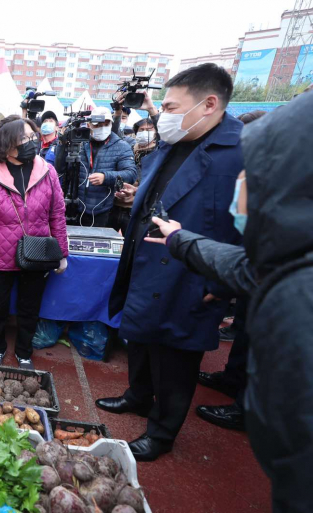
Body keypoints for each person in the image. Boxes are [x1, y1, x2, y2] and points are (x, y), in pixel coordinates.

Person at [143, 91, 313, 511]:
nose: (241, 182)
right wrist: (181, 240)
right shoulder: (286, 258)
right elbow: (244, 265)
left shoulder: (299, 295)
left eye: (249, 173)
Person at [95, 63, 244, 461]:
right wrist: (134, 199)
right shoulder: (174, 141)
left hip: (192, 272)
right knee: (140, 338)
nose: (165, 115)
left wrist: (223, 284)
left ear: (209, 104)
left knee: (176, 357)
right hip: (147, 257)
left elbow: (250, 228)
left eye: (172, 106)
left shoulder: (242, 152)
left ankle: (162, 432)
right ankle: (138, 396)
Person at [0, 115, 69, 370]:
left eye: (31, 136)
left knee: (29, 309)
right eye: (23, 138)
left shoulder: (48, 173)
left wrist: (62, 253)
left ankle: (24, 351)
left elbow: (57, 214)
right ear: (7, 144)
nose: (31, 142)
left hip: (36, 255)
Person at [195, 109, 265, 431]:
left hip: (271, 272)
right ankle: (232, 379)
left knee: (264, 343)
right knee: (248, 330)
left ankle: (247, 408)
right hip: (256, 272)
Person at [72, 106, 137, 227]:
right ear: (89, 125)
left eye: (106, 124)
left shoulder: (122, 146)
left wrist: (105, 177)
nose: (102, 128)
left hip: (104, 210)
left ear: (111, 124)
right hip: (76, 208)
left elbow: (131, 174)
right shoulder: (80, 143)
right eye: (97, 125)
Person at [109, 118, 159, 232]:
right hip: (115, 206)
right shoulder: (127, 150)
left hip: (136, 209)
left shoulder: (157, 154)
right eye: (142, 129)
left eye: (149, 129)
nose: (145, 132)